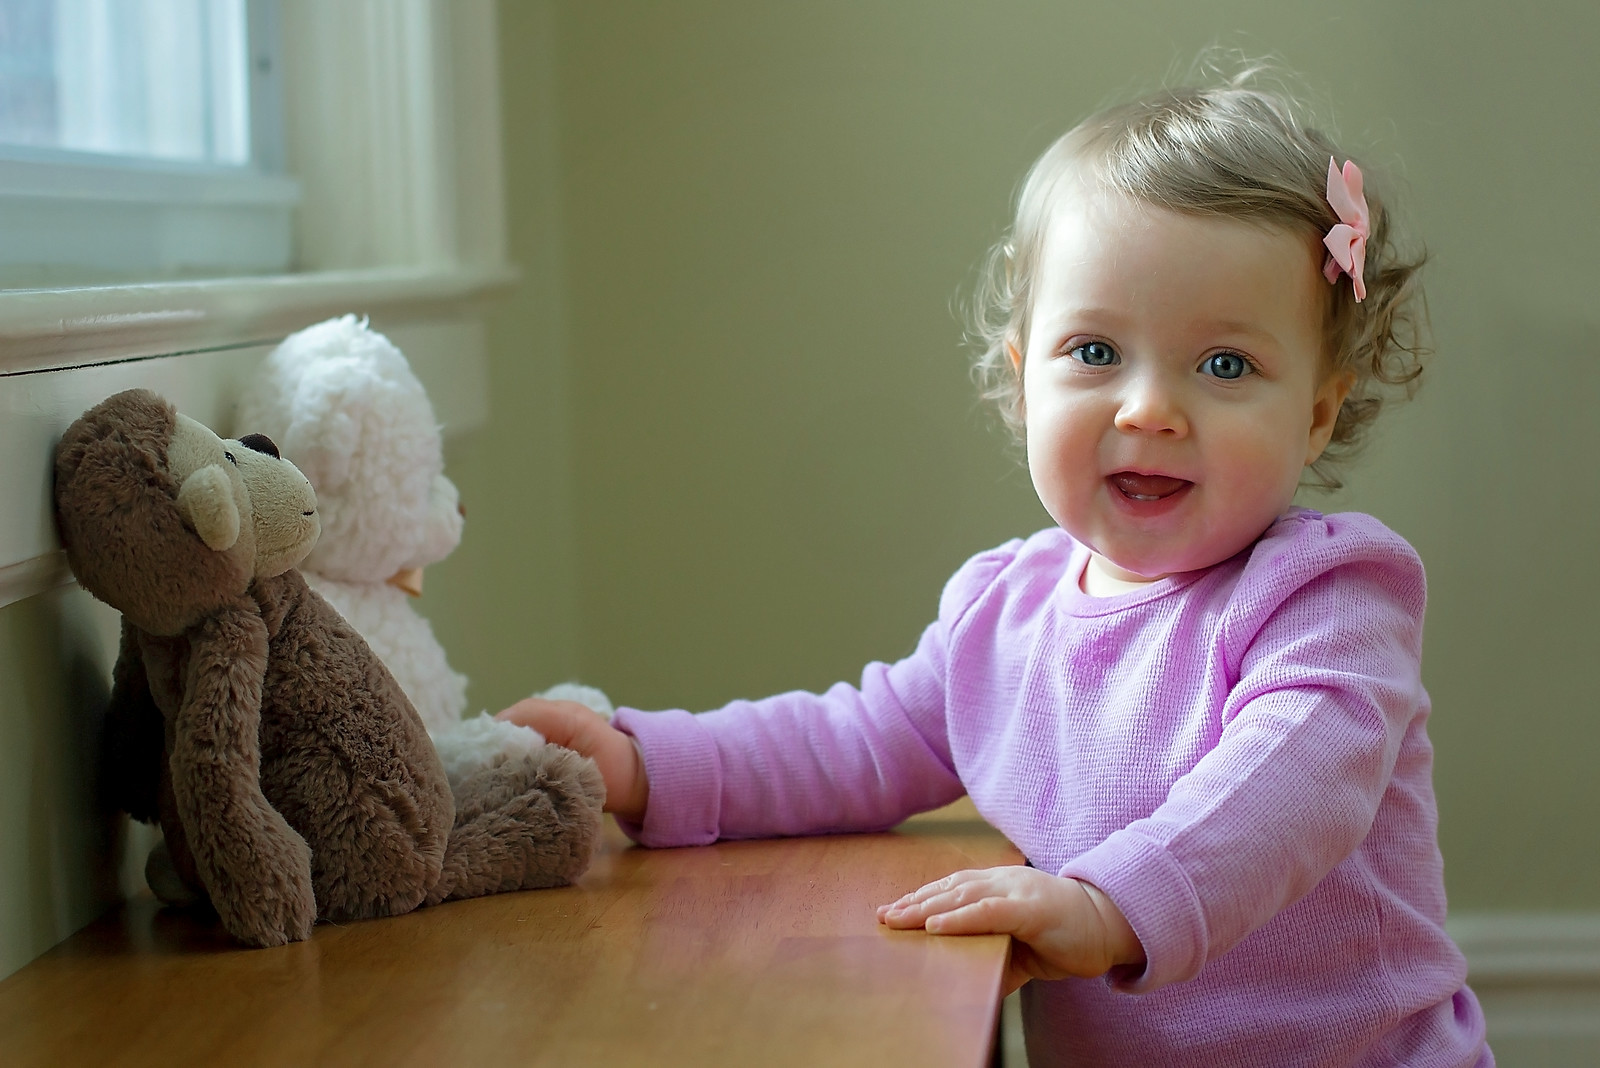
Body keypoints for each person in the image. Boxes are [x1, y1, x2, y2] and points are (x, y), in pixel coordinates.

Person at [499, 67, 1491, 1067]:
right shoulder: (1002, 614)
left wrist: (1109, 903)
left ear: (1317, 412)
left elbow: (1288, 783)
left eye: (1224, 366)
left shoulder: (1325, 597)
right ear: (1023, 385)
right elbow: (858, 741)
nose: (1146, 408)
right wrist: (646, 765)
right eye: (1095, 351)